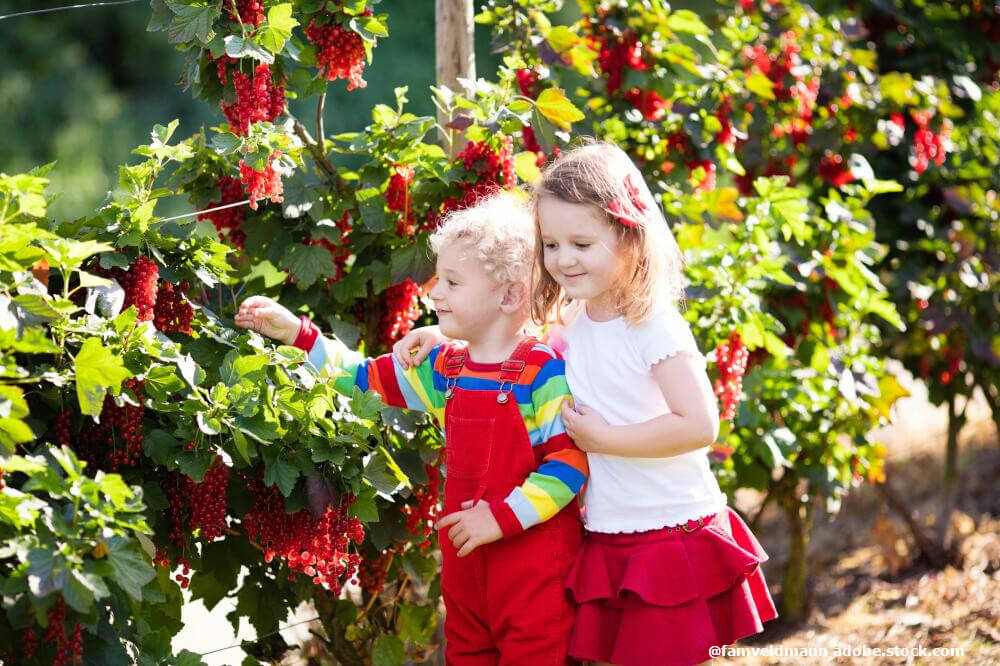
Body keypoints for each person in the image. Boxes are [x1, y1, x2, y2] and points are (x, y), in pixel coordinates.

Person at [394, 141, 777, 666]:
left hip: (667, 532)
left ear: (629, 235)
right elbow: (510, 349)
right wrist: (449, 345)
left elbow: (700, 424)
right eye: (551, 245)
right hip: (609, 531)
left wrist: (605, 440)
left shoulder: (653, 325)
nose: (563, 259)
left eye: (581, 242)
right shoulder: (574, 317)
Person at [235, 191, 588, 665]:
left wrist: (501, 517)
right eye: (437, 277)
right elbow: (363, 379)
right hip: (466, 567)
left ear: (509, 295)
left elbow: (569, 463)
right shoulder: (446, 368)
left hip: (531, 570)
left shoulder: (541, 373)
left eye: (453, 281)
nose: (434, 291)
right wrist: (299, 335)